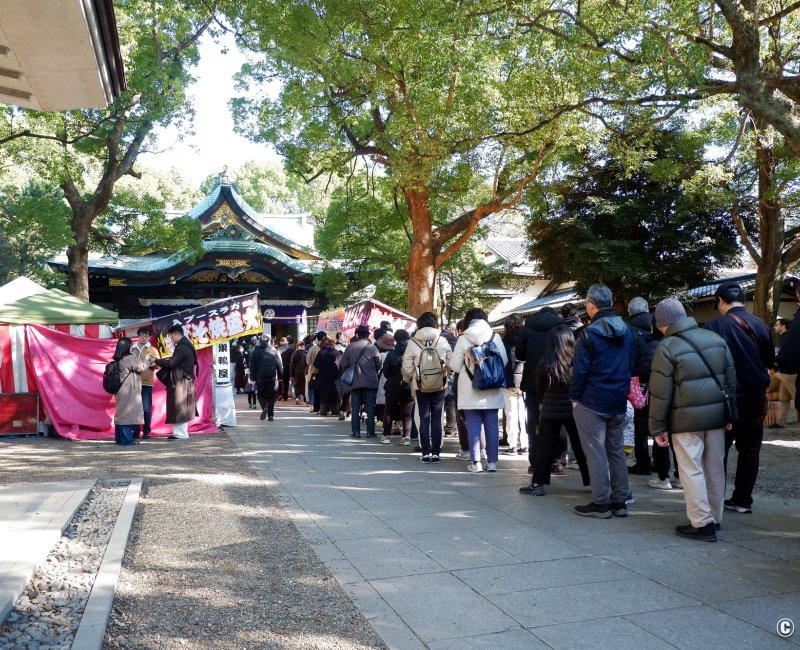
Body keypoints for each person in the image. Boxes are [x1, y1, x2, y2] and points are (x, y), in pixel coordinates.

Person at [649, 298, 737, 542]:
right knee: (715, 469)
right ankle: (715, 518)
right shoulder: (716, 339)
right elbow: (731, 382)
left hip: (685, 421)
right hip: (717, 419)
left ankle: (701, 523)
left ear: (663, 323)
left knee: (691, 470)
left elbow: (661, 392)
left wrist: (656, 427)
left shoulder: (667, 347)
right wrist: (730, 415)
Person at [703, 281, 773, 514]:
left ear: (721, 301)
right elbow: (768, 361)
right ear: (742, 301)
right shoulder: (760, 325)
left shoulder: (714, 326)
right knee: (750, 451)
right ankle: (743, 500)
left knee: (718, 451)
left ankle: (715, 501)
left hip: (727, 399)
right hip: (756, 397)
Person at [570, 284, 633, 518]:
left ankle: (600, 502)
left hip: (592, 400)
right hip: (617, 398)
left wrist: (575, 398)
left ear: (590, 305)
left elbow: (580, 371)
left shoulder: (588, 333)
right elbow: (630, 364)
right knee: (616, 451)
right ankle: (620, 501)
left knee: (595, 452)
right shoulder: (626, 331)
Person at [520, 325, 590, 494]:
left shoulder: (546, 362)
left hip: (550, 410)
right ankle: (593, 482)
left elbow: (540, 386)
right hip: (573, 410)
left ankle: (538, 484)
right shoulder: (577, 360)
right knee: (581, 447)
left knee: (544, 448)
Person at [449, 308, 508, 473]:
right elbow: (504, 360)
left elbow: (454, 366)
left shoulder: (463, 338)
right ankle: (492, 463)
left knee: (473, 425)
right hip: (492, 387)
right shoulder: (495, 336)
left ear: (468, 320)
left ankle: (476, 463)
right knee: (492, 424)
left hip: (469, 389)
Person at [516, 306, 562, 469]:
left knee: (534, 421)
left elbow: (519, 355)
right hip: (556, 380)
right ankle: (556, 459)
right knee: (557, 420)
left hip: (533, 381)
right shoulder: (560, 327)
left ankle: (535, 461)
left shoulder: (527, 329)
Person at [402, 312, 452, 462]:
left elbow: (406, 368)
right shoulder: (442, 341)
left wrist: (417, 375)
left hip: (421, 386)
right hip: (439, 385)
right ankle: (436, 453)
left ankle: (425, 453)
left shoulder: (413, 342)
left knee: (423, 417)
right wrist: (442, 372)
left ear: (419, 325)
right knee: (437, 418)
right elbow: (451, 363)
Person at [153, 325, 198, 440]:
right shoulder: (186, 345)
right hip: (183, 379)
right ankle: (179, 433)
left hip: (180, 380)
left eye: (171, 336)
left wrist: (156, 361)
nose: (171, 339)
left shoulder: (182, 347)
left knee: (179, 407)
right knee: (180, 407)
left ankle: (180, 434)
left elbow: (171, 363)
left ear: (177, 334)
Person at [339, 324, 382, 438]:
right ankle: (370, 432)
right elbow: (379, 365)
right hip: (370, 382)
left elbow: (342, 364)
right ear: (367, 335)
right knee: (370, 407)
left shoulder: (350, 347)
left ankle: (356, 432)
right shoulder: (372, 348)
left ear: (357, 334)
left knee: (355, 407)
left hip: (355, 381)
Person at [627, 296, 653, 475]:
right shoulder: (658, 325)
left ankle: (643, 461)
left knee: (639, 422)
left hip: (635, 382)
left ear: (630, 312)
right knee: (660, 421)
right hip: (659, 381)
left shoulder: (627, 330)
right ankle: (662, 465)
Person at [111, 337, 152, 446]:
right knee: (127, 414)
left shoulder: (118, 358)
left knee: (121, 413)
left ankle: (119, 439)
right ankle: (126, 440)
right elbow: (142, 367)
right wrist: (147, 359)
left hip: (120, 389)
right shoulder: (129, 358)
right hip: (129, 389)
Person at [383, 329, 415, 444]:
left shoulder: (391, 354)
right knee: (407, 413)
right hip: (409, 386)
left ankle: (386, 436)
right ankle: (406, 437)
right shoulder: (412, 353)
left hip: (392, 386)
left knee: (388, 411)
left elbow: (385, 372)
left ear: (395, 339)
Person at [501, 314, 526, 455]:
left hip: (508, 382)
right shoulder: (526, 340)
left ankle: (513, 445)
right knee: (524, 414)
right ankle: (525, 444)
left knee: (511, 414)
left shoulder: (502, 342)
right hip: (525, 381)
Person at [130, 326, 160, 439]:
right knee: (134, 407)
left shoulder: (153, 350)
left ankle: (147, 431)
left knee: (146, 408)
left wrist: (150, 363)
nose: (144, 337)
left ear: (150, 337)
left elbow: (158, 365)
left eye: (147, 336)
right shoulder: (132, 349)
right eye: (142, 335)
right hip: (133, 381)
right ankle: (136, 431)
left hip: (147, 382)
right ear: (138, 336)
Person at [249, 337, 283, 421]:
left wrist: (252, 378)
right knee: (271, 396)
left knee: (260, 395)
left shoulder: (255, 352)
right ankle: (271, 416)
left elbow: (252, 367)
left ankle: (264, 407)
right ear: (269, 342)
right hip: (272, 377)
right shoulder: (274, 352)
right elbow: (279, 365)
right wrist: (280, 377)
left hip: (260, 378)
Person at [772, 318, 796, 429]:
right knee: (783, 398)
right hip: (785, 372)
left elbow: (785, 356)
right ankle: (781, 422)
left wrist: (774, 362)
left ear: (783, 326)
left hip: (790, 373)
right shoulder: (785, 338)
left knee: (797, 397)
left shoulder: (788, 338)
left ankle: (781, 422)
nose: (775, 327)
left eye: (777, 325)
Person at [314, 337, 341, 417]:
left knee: (324, 393)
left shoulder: (321, 353)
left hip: (323, 376)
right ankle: (335, 411)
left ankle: (323, 411)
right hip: (335, 376)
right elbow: (341, 364)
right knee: (335, 393)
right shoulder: (337, 353)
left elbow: (316, 364)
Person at [376, 332, 395, 443]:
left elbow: (380, 369)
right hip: (399, 384)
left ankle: (385, 430)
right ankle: (404, 434)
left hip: (385, 382)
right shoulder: (398, 354)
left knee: (386, 408)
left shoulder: (382, 355)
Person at [305, 331, 326, 413]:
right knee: (322, 390)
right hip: (324, 373)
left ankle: (314, 406)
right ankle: (323, 407)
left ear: (317, 338)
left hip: (314, 372)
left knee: (314, 389)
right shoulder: (328, 347)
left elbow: (308, 361)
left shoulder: (312, 349)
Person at [290, 339, 307, 405]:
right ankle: (304, 399)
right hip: (304, 371)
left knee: (296, 384)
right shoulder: (306, 352)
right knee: (304, 385)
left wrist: (291, 374)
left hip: (297, 371)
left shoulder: (295, 353)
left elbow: (292, 364)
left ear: (298, 346)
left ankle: (297, 397)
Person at [279, 336, 294, 401]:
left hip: (280, 367)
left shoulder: (278, 349)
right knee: (286, 382)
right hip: (288, 368)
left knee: (279, 381)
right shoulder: (291, 350)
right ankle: (285, 396)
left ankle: (279, 395)